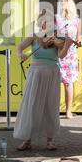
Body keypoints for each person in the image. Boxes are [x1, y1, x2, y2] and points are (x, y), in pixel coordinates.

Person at [14, 12, 73, 151]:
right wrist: (20, 54)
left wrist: (67, 46)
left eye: (53, 21)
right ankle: (27, 140)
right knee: (32, 104)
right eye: (48, 21)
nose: (51, 24)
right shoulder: (34, 36)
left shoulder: (57, 37)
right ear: (41, 23)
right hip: (36, 72)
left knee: (50, 105)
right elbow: (19, 48)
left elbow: (61, 56)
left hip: (52, 71)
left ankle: (50, 140)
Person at [56, 0, 81, 119]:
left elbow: (51, 36)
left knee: (54, 84)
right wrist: (73, 43)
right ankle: (68, 112)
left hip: (57, 52)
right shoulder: (77, 20)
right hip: (70, 55)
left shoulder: (56, 19)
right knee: (68, 84)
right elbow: (78, 40)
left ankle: (54, 112)